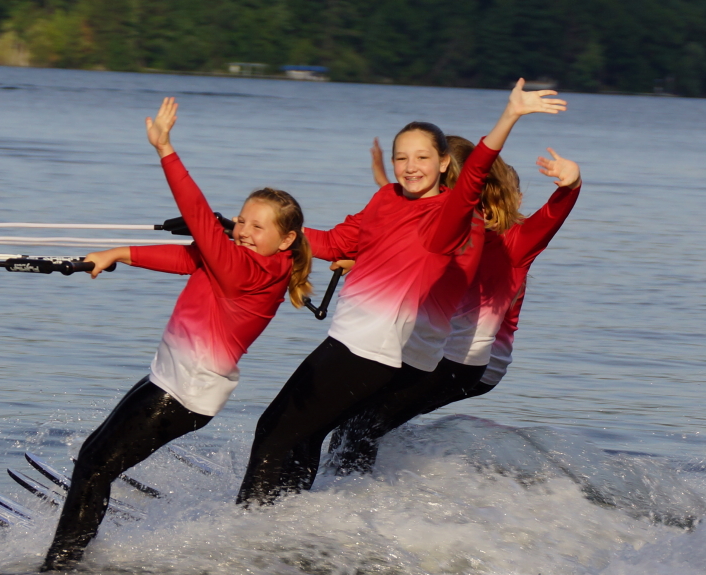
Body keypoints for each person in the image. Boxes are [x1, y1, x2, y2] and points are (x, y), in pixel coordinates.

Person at [236, 79, 566, 505]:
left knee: (281, 429)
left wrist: (510, 117)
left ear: (445, 163)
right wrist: (247, 232)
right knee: (303, 432)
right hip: (356, 340)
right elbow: (336, 242)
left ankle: (255, 523)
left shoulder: (453, 218)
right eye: (401, 158)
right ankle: (294, 514)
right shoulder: (387, 199)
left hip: (377, 348)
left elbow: (474, 179)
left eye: (423, 158)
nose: (410, 166)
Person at [42, 97, 312, 570]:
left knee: (94, 468)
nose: (244, 230)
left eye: (257, 226)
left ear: (286, 240)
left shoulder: (246, 271)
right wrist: (118, 253)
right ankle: (67, 560)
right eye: (242, 220)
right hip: (171, 381)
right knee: (93, 460)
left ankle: (60, 570)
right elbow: (188, 258)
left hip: (182, 393)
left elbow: (201, 221)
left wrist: (166, 149)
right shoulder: (247, 262)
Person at [330, 146, 582, 474]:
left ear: (516, 201)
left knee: (360, 424)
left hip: (474, 363)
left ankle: (347, 494)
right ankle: (363, 482)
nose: (484, 207)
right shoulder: (461, 237)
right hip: (440, 356)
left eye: (497, 197)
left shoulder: (517, 242)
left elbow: (554, 214)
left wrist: (571, 182)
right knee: (359, 419)